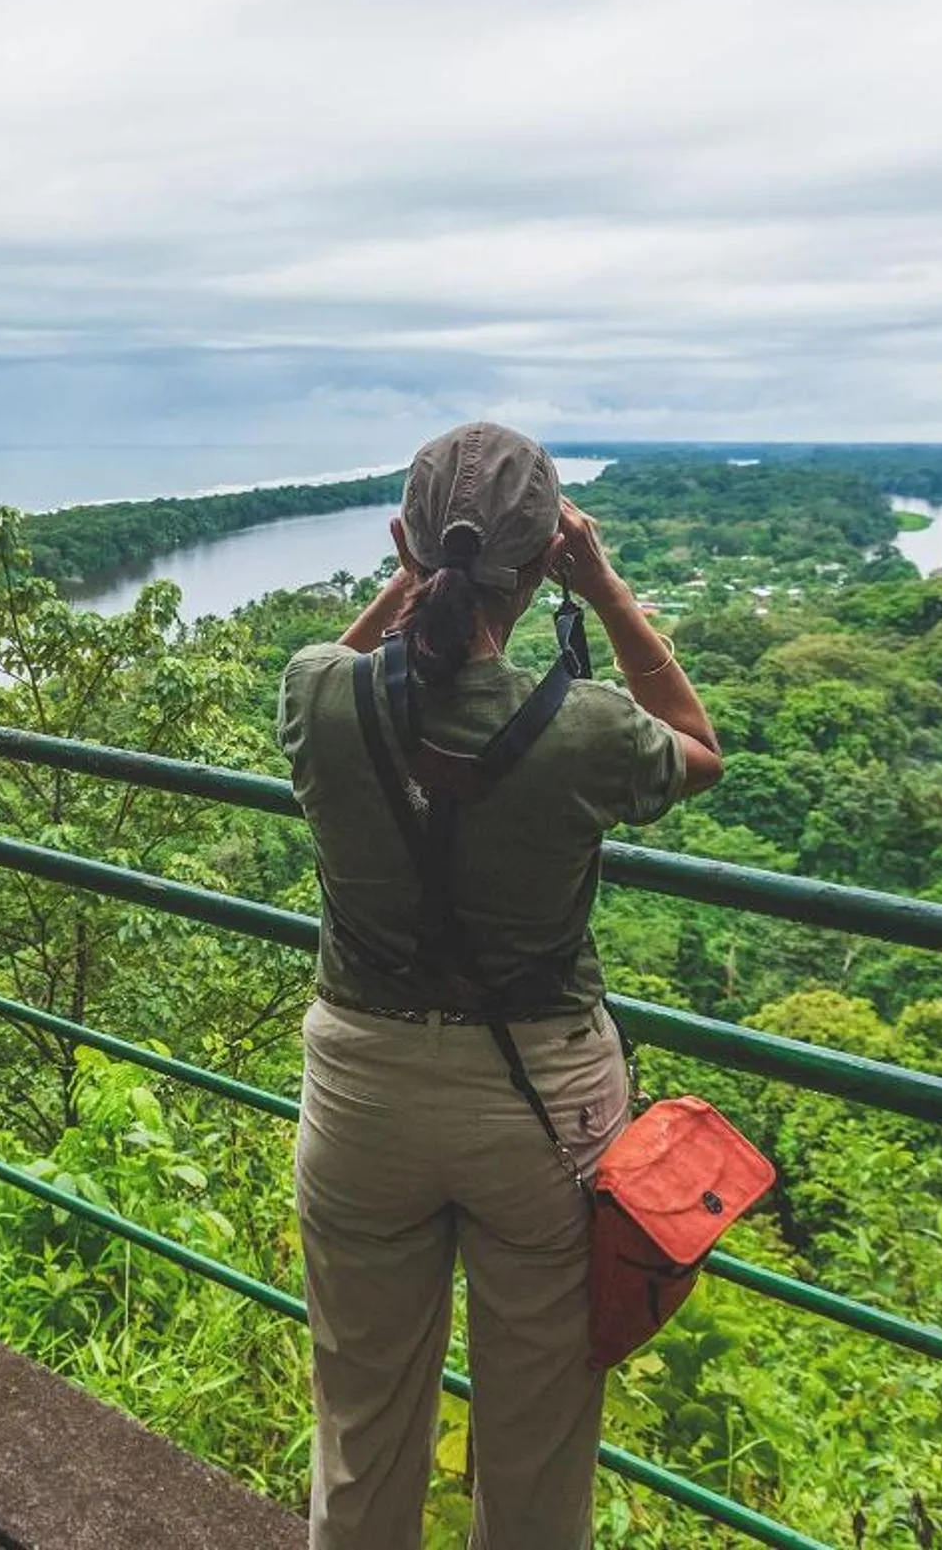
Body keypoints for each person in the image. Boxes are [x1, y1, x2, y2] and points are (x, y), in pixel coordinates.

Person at [281, 423, 724, 1549]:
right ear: (541, 565)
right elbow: (697, 745)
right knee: (537, 1439)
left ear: (408, 546)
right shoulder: (586, 731)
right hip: (544, 1108)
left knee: (362, 1420)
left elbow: (327, 686)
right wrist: (604, 586)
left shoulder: (318, 696)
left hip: (363, 1093)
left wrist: (401, 585)